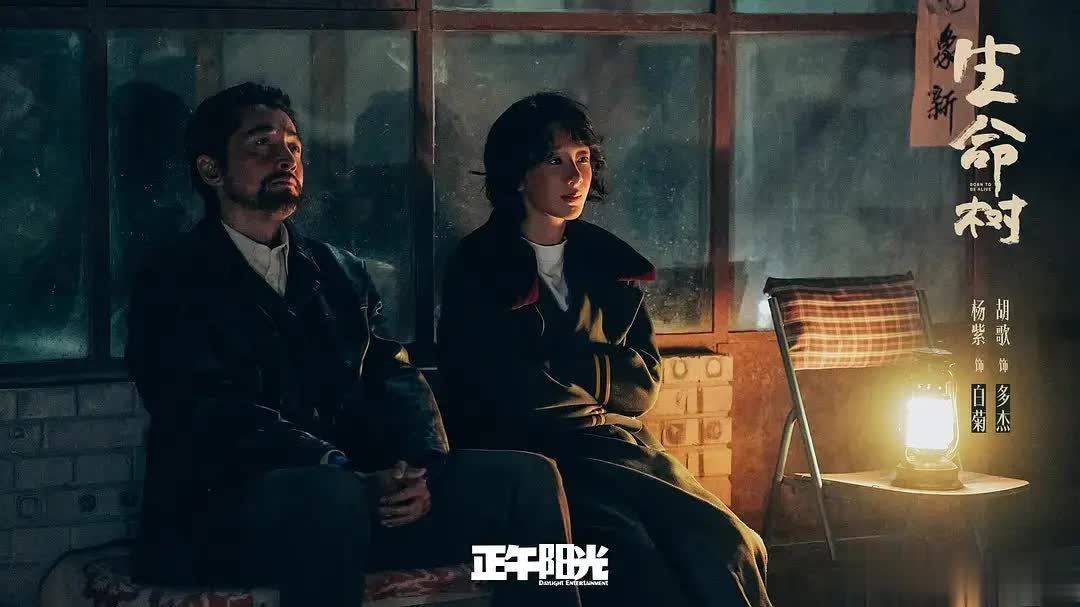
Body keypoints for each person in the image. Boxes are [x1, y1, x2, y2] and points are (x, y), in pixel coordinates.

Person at [126, 82, 580, 607]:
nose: (285, 159)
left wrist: (418, 468)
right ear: (211, 170)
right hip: (223, 521)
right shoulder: (172, 279)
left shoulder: (339, 272)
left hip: (361, 497)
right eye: (262, 144)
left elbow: (398, 378)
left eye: (294, 147)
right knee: (327, 498)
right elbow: (211, 413)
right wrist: (339, 467)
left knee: (526, 481)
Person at [438, 92, 773, 607]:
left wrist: (560, 367)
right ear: (519, 173)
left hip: (621, 451)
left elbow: (643, 384)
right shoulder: (479, 263)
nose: (575, 177)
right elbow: (501, 383)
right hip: (530, 463)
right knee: (624, 564)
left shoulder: (609, 261)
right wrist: (595, 380)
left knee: (730, 543)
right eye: (555, 161)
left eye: (583, 158)